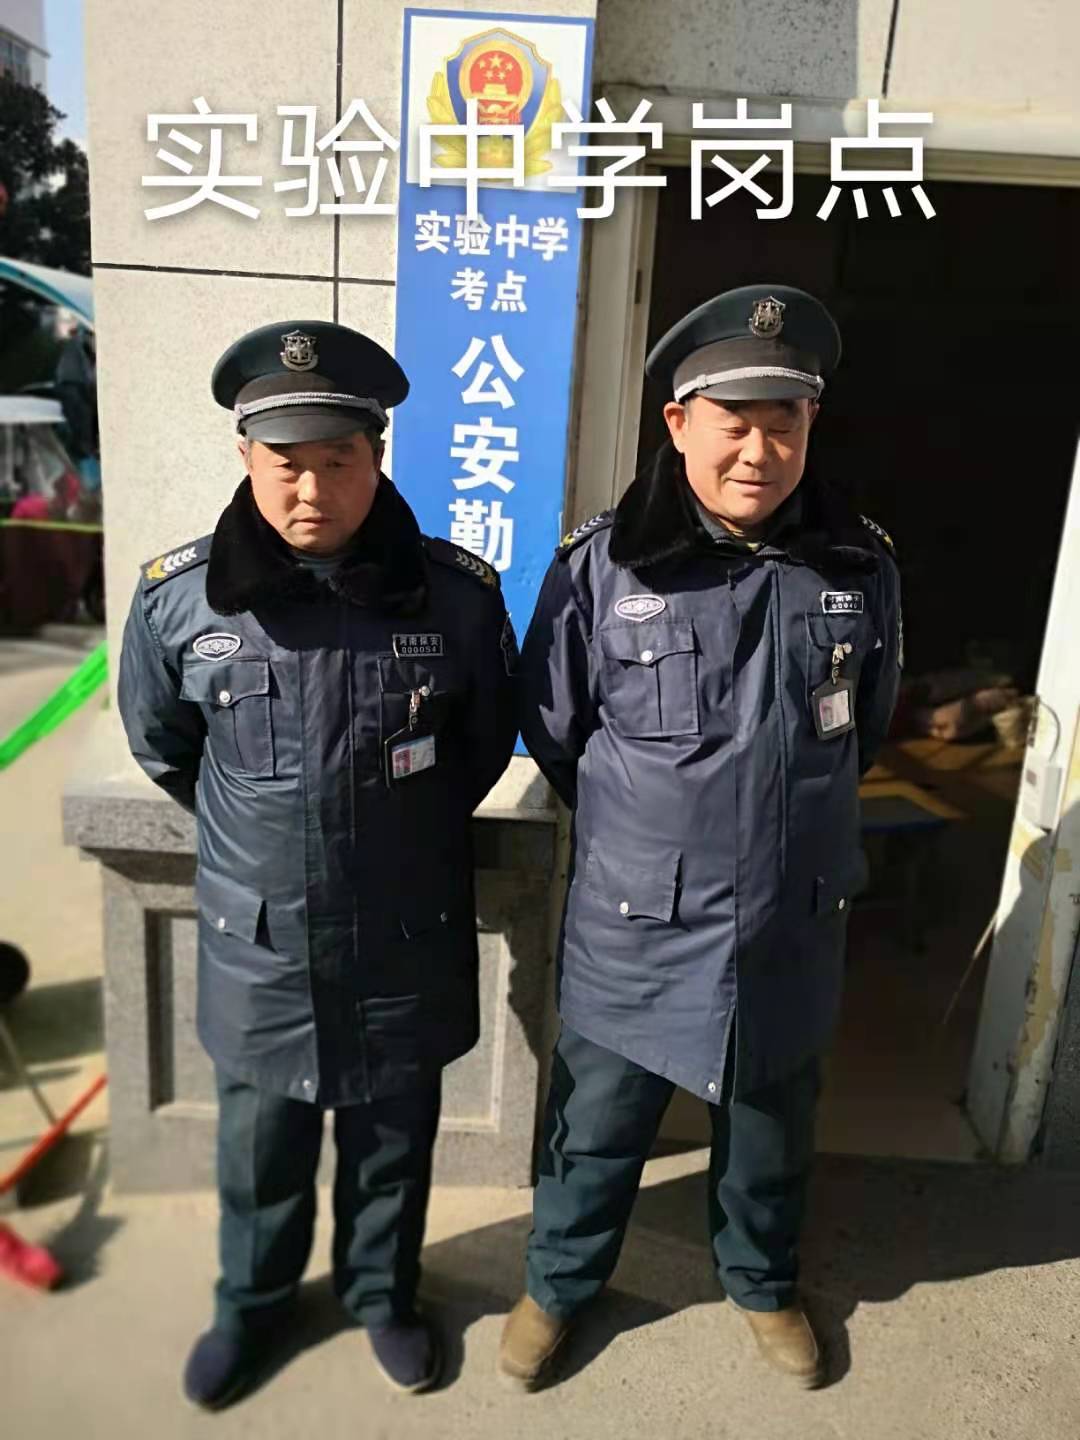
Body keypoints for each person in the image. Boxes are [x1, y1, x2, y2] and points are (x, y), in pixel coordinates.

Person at [500, 284, 902, 1391]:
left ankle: (763, 1283)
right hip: (637, 923)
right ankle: (558, 1284)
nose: (759, 453)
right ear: (679, 423)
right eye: (735, 423)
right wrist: (658, 832)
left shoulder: (858, 566)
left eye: (785, 423)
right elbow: (556, 731)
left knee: (772, 1129)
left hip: (789, 917)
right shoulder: (604, 565)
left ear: (811, 426)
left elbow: (864, 728)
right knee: (596, 1130)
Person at [117, 320, 517, 1409]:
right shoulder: (181, 599)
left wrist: (391, 834)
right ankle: (250, 1306)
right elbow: (165, 748)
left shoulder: (455, 598)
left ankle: (382, 1294)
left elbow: (480, 746)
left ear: (376, 456)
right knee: (261, 1152)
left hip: (402, 933)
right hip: (262, 940)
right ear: (244, 455)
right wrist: (267, 837)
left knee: (394, 1144)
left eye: (337, 460)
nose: (310, 488)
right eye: (285, 460)